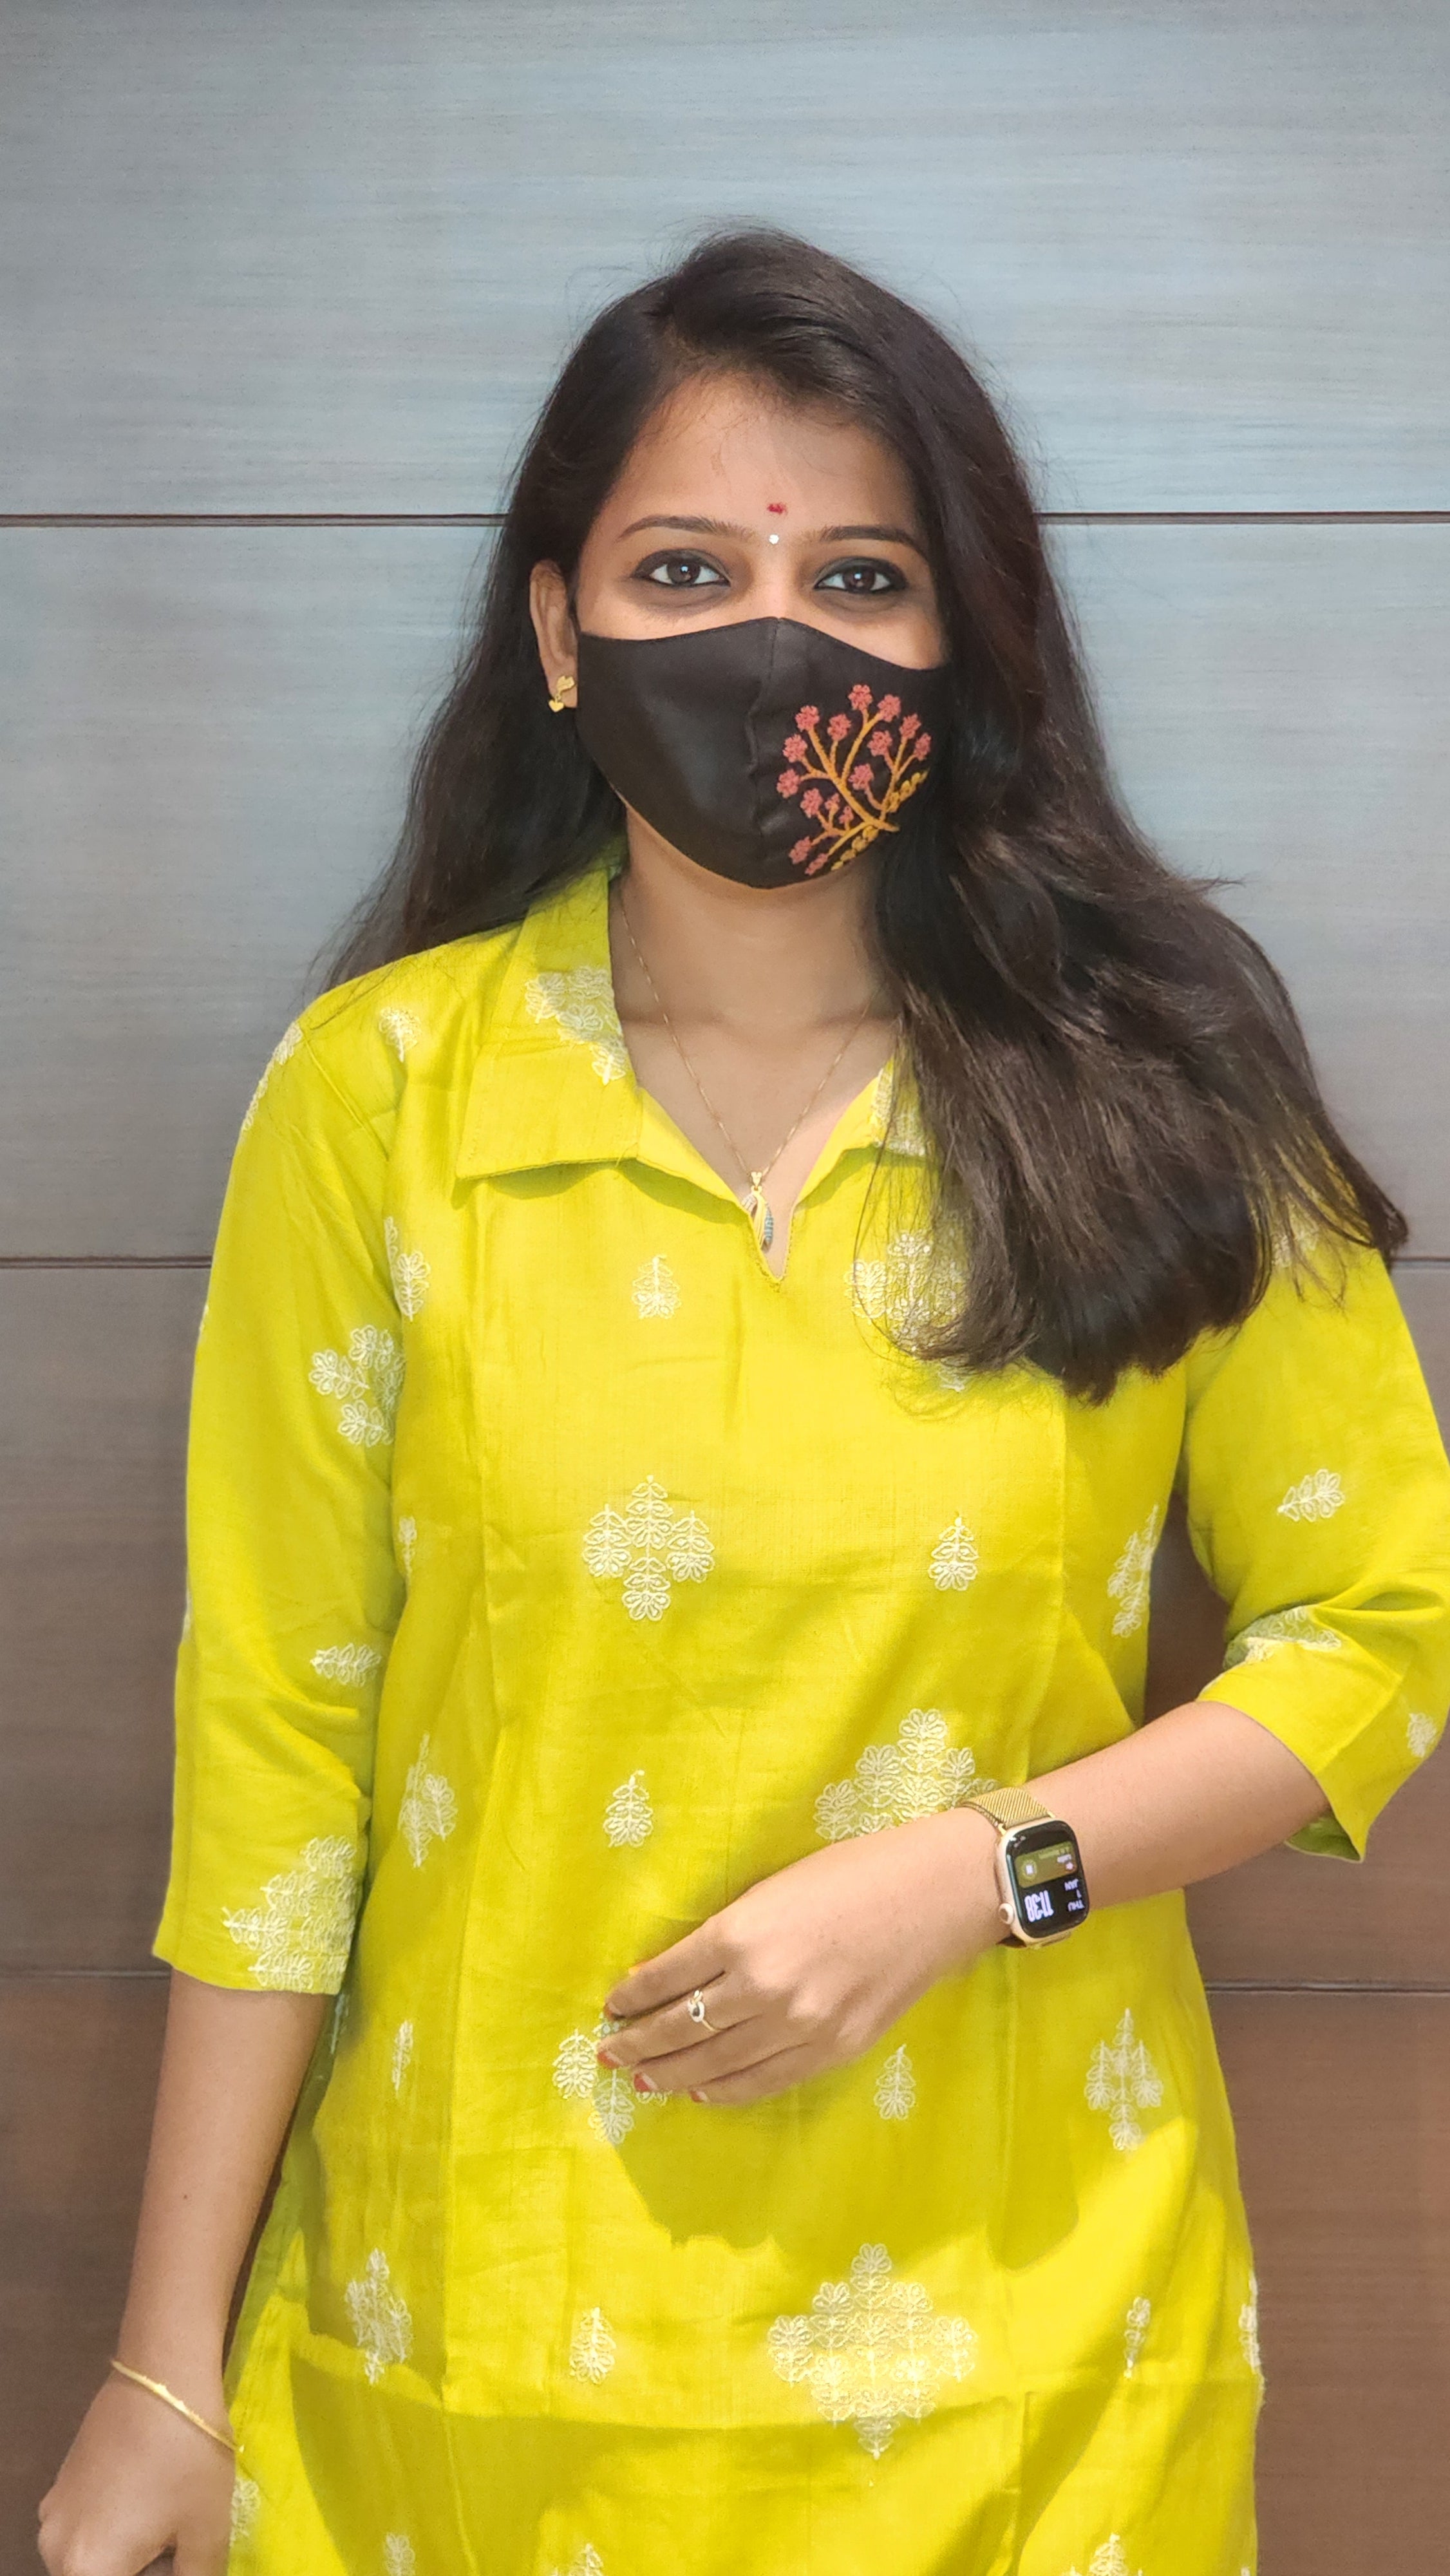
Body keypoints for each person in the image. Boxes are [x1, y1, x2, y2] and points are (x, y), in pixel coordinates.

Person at [39, 231, 1450, 2576]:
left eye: (858, 577)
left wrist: (975, 1877)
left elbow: (1376, 1633)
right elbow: (275, 1752)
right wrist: (163, 2368)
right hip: (475, 2356)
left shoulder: (1159, 1082)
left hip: (1030, 2373)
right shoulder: (383, 1097)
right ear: (558, 630)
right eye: (684, 570)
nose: (772, 640)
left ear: (956, 641)